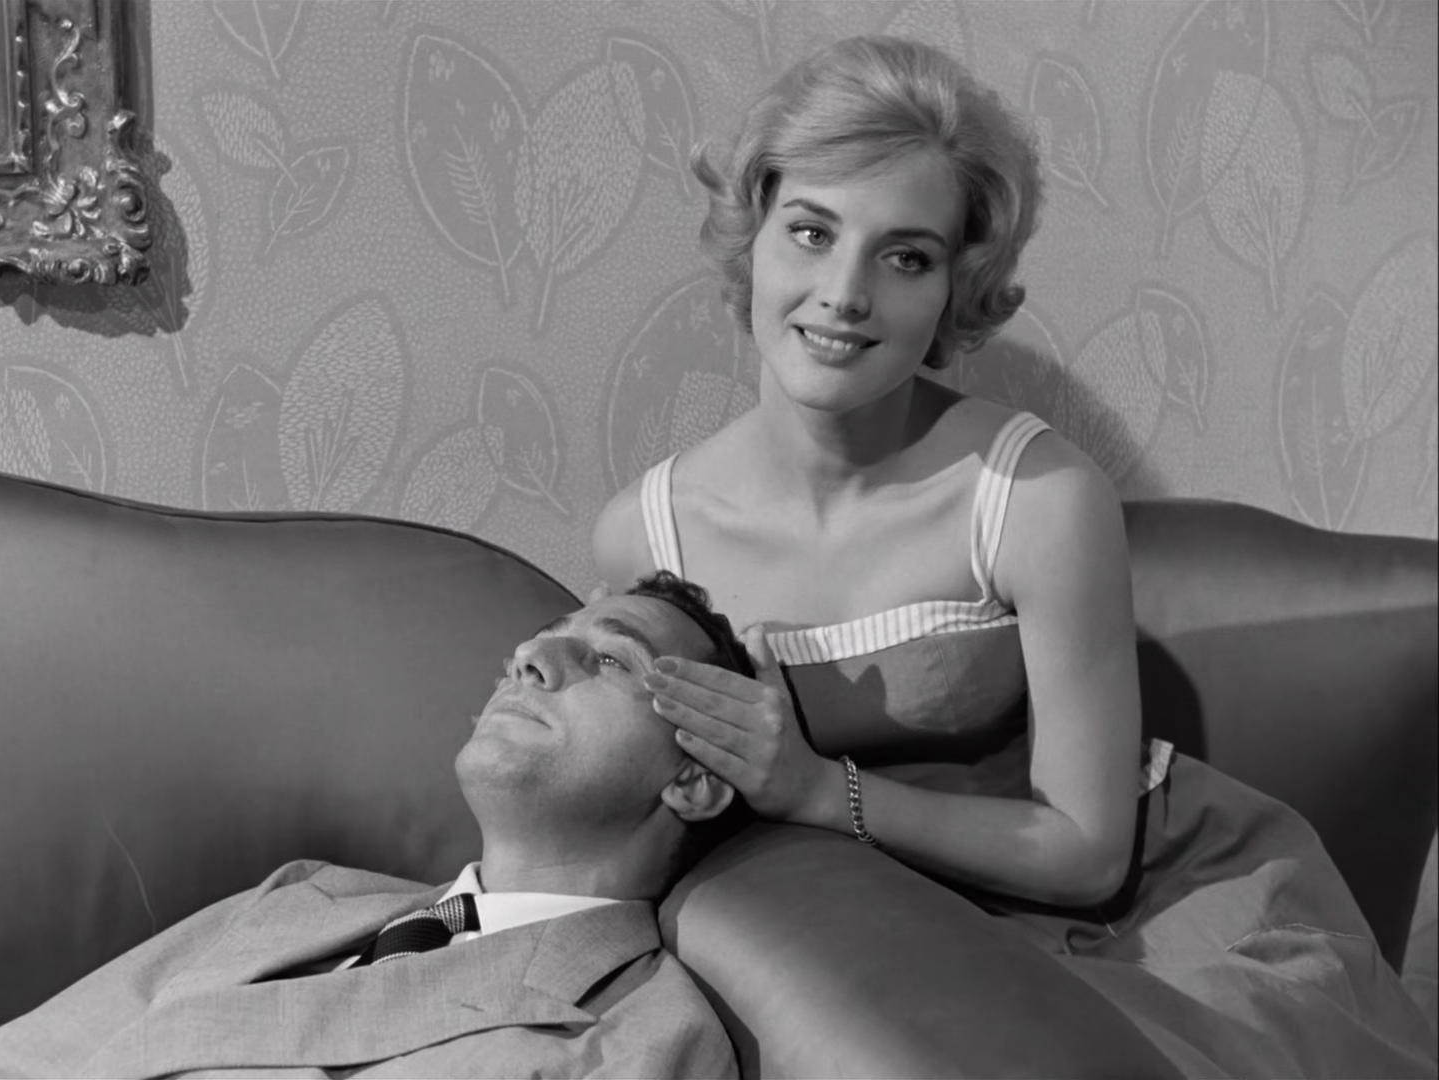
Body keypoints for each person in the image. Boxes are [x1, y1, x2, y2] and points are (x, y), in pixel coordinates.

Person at [593, 35, 1436, 1077]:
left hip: (1129, 931)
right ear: (752, 237)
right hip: (846, 938)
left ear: (959, 285)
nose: (845, 293)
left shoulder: (1036, 497)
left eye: (906, 257)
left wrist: (817, 793)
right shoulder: (644, 534)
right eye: (811, 232)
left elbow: (1088, 855)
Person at [0, 572, 746, 1079]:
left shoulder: (644, 1043)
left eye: (611, 659)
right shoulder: (299, 899)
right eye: (545, 637)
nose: (531, 657)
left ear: (695, 779)